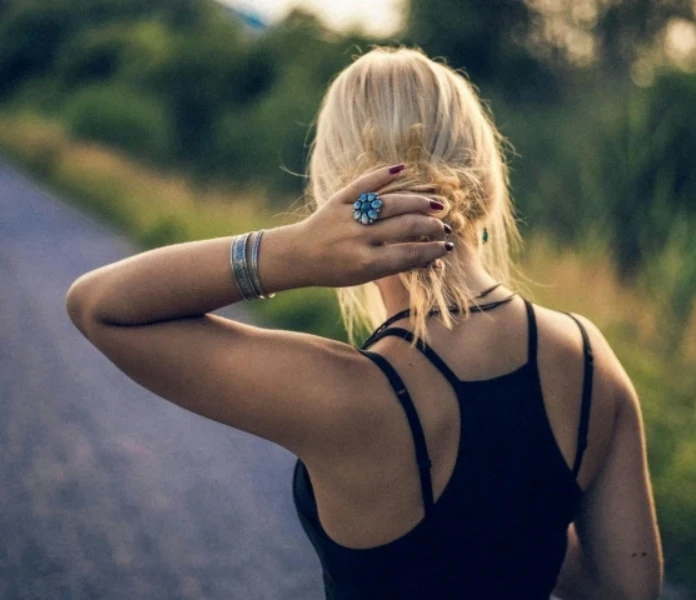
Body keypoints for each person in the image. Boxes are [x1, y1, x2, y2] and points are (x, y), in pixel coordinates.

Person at [65, 45, 662, 599]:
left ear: (332, 194)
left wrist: (292, 253)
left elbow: (100, 306)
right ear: (485, 184)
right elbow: (626, 589)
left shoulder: (346, 397)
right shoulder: (588, 358)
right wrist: (516, 506)